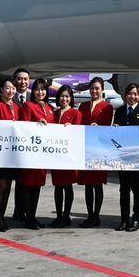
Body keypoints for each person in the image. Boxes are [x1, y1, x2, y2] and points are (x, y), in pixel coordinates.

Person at [18, 77, 54, 229]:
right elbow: (24, 127)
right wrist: (36, 125)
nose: (40, 92)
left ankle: (33, 215)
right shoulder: (28, 105)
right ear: (33, 91)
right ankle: (29, 218)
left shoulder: (50, 107)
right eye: (38, 89)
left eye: (43, 89)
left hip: (43, 154)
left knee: (37, 186)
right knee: (28, 186)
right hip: (31, 153)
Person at [77, 76, 113, 227]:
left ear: (102, 90)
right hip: (86, 149)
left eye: (97, 88)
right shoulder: (83, 106)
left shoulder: (107, 107)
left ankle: (96, 216)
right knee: (87, 185)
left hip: (99, 150)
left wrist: (98, 128)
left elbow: (107, 127)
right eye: (92, 88)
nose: (94, 91)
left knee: (97, 184)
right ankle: (89, 215)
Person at [113, 83, 139, 232]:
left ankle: (136, 218)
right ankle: (124, 219)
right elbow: (114, 133)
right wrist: (114, 128)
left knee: (137, 189)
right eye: (130, 93)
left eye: (135, 94)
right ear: (125, 95)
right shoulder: (119, 111)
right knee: (124, 189)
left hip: (137, 158)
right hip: (123, 157)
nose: (132, 96)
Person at [0, 78, 20, 231]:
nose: (11, 90)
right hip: (0, 152)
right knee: (0, 185)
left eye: (13, 88)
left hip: (12, 153)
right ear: (1, 89)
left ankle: (2, 216)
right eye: (8, 87)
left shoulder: (16, 106)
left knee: (8, 186)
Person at [51, 85, 81, 227]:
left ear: (71, 98)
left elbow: (77, 133)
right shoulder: (54, 113)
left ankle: (66, 215)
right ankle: (58, 216)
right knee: (58, 187)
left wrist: (71, 129)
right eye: (62, 96)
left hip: (68, 156)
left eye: (67, 96)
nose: (64, 99)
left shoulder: (76, 113)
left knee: (67, 187)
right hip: (56, 156)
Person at [10, 67, 32, 220]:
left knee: (27, 180)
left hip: (30, 145)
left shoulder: (34, 96)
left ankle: (26, 210)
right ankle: (18, 211)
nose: (23, 82)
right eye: (19, 79)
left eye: (25, 79)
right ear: (14, 81)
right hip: (13, 145)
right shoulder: (9, 97)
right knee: (16, 181)